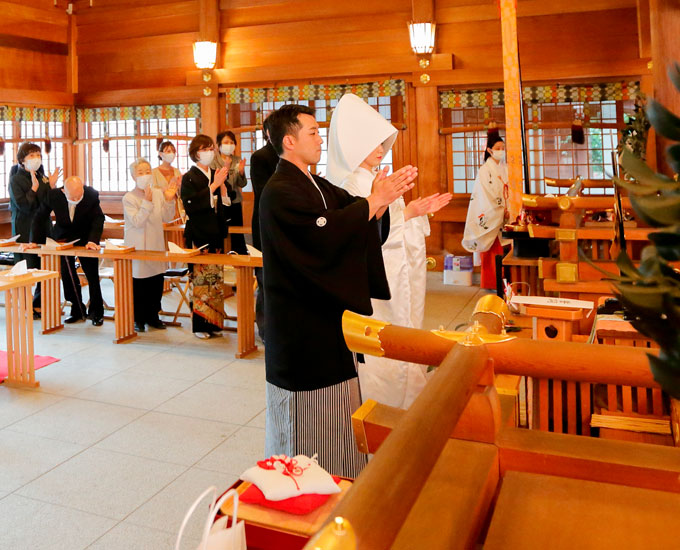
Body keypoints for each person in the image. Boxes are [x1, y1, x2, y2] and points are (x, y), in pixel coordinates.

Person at [260, 104, 417, 477]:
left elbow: (351, 215)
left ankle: (337, 477)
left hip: (325, 318)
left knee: (337, 406)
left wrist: (379, 200)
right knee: (304, 417)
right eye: (312, 132)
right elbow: (326, 233)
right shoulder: (280, 190)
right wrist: (374, 201)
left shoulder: (315, 183)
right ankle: (300, 483)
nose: (319, 138)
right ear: (289, 141)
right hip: (300, 326)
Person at [326, 93, 452, 409]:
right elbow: (362, 227)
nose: (382, 149)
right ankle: (382, 401)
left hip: (394, 268)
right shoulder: (348, 182)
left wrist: (413, 211)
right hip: (373, 275)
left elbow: (390, 219)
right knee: (381, 337)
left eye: (383, 143)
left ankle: (407, 391)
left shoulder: (374, 176)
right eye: (373, 143)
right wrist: (405, 214)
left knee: (403, 328)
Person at [28, 176, 105, 325]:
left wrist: (93, 241)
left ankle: (96, 312)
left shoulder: (91, 195)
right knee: (67, 275)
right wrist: (34, 241)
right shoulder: (54, 195)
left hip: (85, 238)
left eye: (79, 194)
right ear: (64, 191)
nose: (77, 198)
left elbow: (98, 219)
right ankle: (77, 310)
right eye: (73, 196)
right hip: (63, 238)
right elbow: (39, 216)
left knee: (92, 275)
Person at [181, 135, 230, 339]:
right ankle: (200, 325)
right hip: (199, 232)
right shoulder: (189, 177)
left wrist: (223, 188)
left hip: (215, 231)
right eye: (204, 148)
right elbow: (190, 204)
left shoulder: (214, 173)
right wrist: (213, 186)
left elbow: (223, 203)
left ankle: (214, 322)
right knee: (201, 280)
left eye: (211, 148)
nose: (209, 152)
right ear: (195, 153)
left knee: (215, 280)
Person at [123, 158, 178, 332]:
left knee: (156, 282)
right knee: (139, 285)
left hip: (156, 244)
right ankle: (138, 318)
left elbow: (167, 218)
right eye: (140, 172)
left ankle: (153, 316)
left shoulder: (157, 193)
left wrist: (169, 200)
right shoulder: (128, 198)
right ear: (133, 176)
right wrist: (146, 202)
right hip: (137, 246)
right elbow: (137, 221)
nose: (145, 175)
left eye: (147, 171)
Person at [9, 142, 61, 316]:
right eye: (31, 155)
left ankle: (39, 304)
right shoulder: (16, 178)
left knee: (43, 266)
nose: (36, 159)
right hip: (25, 227)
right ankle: (25, 305)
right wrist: (33, 189)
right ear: (22, 159)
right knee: (26, 267)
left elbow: (47, 203)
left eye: (38, 155)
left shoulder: (41, 174)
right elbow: (23, 206)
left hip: (43, 225)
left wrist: (51, 186)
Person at [462, 134, 510, 290]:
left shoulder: (505, 168)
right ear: (489, 150)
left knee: (505, 249)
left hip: (505, 212)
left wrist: (509, 208)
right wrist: (501, 209)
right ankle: (491, 283)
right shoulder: (484, 170)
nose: (501, 151)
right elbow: (485, 194)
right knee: (492, 250)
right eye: (497, 149)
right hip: (492, 214)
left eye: (503, 148)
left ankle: (505, 283)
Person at [249, 114, 278, 342]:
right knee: (265, 279)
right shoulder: (260, 157)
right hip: (265, 224)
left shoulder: (289, 153)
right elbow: (263, 191)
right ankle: (265, 329)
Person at [212, 130, 247, 254]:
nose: (229, 144)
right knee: (222, 231)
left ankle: (239, 256)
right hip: (220, 203)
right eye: (226, 142)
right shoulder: (213, 161)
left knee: (237, 232)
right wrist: (225, 169)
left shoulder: (237, 160)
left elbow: (242, 184)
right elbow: (217, 183)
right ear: (219, 145)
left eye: (232, 142)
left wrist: (242, 172)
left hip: (235, 201)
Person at [152, 140, 184, 221]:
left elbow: (181, 192)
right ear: (160, 154)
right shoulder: (154, 172)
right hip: (161, 207)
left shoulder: (176, 171)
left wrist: (180, 186)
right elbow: (152, 191)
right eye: (168, 151)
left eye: (173, 151)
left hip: (176, 207)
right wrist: (166, 188)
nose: (171, 153)